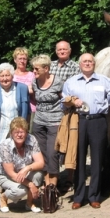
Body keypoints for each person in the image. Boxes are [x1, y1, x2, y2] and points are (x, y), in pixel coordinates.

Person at [62, 53, 110, 209]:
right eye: (84, 61)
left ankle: (94, 195)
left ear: (94, 64)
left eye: (90, 61)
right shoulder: (71, 82)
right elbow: (63, 103)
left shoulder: (104, 81)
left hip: (98, 121)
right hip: (78, 121)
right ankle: (78, 197)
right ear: (80, 64)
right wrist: (72, 101)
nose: (87, 63)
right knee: (78, 159)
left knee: (97, 160)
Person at [0, 63, 30, 194]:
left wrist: (26, 130)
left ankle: (15, 189)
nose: (5, 78)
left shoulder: (22, 88)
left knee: (16, 161)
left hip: (17, 132)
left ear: (12, 76)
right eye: (1, 76)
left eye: (7, 75)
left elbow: (28, 112)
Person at [49, 41, 80, 191]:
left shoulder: (75, 67)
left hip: (67, 110)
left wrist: (56, 90)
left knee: (69, 144)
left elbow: (73, 89)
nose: (62, 51)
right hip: (51, 109)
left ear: (69, 51)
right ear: (56, 51)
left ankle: (69, 178)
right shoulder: (50, 65)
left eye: (64, 49)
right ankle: (54, 177)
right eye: (59, 49)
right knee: (54, 146)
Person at [0, 117, 45, 213]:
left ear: (26, 133)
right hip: (7, 176)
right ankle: (3, 197)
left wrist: (27, 168)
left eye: (22, 132)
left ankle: (29, 203)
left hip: (24, 172)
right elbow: (11, 174)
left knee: (38, 175)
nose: (19, 135)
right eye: (16, 132)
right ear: (11, 133)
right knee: (21, 190)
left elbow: (41, 163)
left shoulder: (32, 139)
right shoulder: (5, 146)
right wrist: (31, 185)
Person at [31, 54, 64, 187]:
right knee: (42, 154)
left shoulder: (58, 82)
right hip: (39, 123)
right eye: (33, 69)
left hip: (55, 122)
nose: (34, 72)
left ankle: (53, 187)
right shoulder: (34, 82)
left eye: (36, 69)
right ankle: (46, 184)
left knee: (52, 154)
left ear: (46, 68)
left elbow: (65, 99)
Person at [12, 47, 36, 113]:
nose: (22, 61)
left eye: (24, 59)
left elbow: (37, 94)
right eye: (20, 59)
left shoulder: (32, 75)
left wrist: (32, 91)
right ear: (15, 60)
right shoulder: (10, 75)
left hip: (30, 109)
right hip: (14, 109)